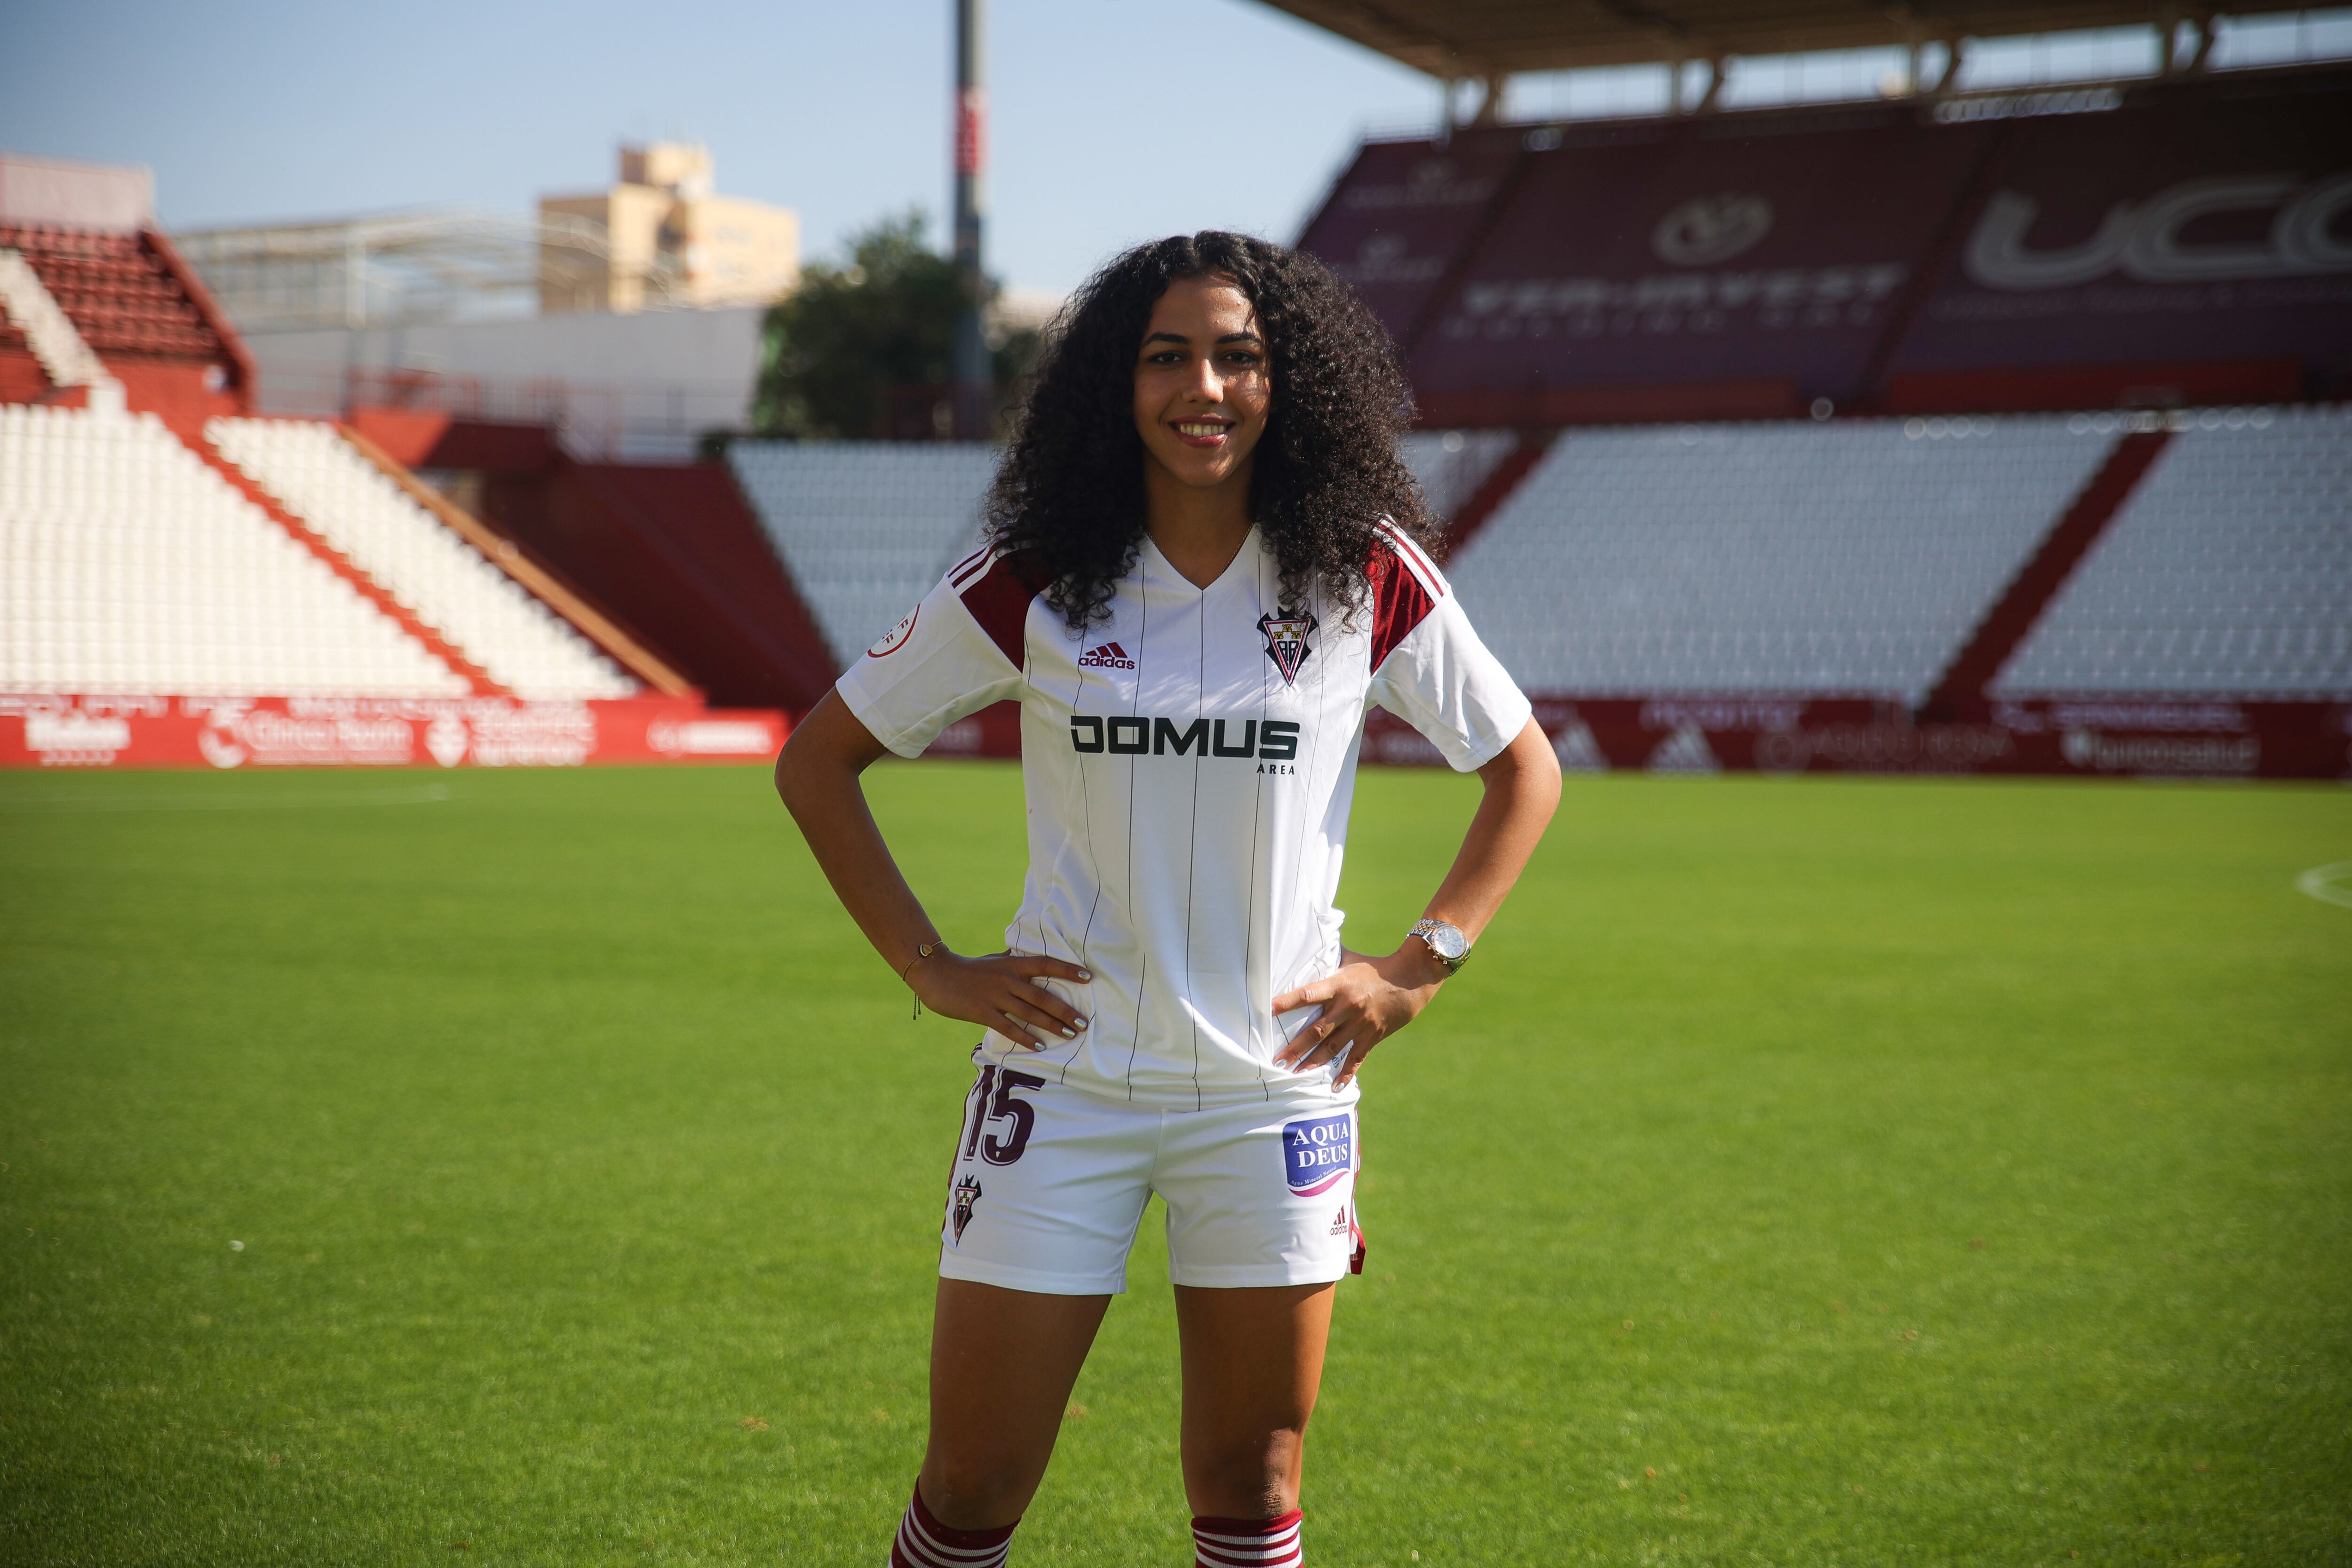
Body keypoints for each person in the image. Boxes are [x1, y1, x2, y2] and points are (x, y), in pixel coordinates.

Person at [777, 231, 1560, 1568]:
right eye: (1168, 357)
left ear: (1287, 381)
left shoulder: (1360, 572)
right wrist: (930, 967)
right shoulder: (1037, 575)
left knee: (1254, 1493)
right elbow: (819, 760)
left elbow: (1524, 774)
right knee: (969, 1487)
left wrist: (1417, 966)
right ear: (1114, 384)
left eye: (1240, 357)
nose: (1206, 387)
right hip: (1064, 1084)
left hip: (1277, 1091)